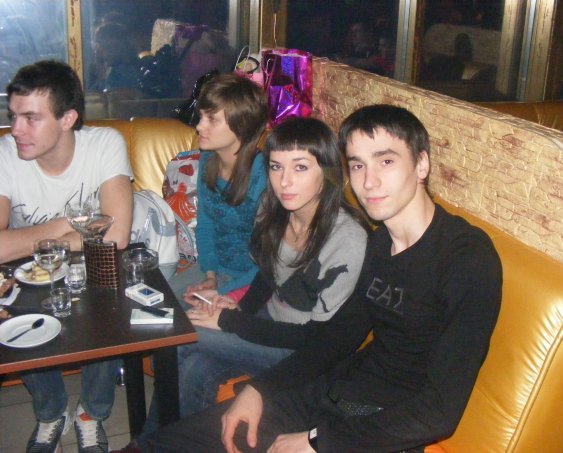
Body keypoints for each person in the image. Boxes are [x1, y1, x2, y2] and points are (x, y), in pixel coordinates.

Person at [141, 104, 503, 452]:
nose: (369, 181)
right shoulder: (381, 244)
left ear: (421, 164)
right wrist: (259, 389)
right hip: (333, 393)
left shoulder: (465, 257)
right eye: (358, 165)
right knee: (171, 443)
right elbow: (335, 340)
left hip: (376, 425)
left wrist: (318, 441)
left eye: (386, 161)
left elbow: (438, 412)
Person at [138, 117, 368, 443]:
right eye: (276, 167)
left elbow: (317, 340)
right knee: (193, 368)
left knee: (181, 333)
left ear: (328, 172)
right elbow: (267, 275)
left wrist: (231, 322)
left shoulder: (346, 239)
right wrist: (239, 307)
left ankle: (146, 445)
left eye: (300, 168)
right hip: (268, 322)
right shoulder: (274, 210)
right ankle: (164, 443)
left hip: (301, 351)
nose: (284, 181)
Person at [0, 60, 133, 452]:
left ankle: (92, 412)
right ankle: (50, 411)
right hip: (28, 273)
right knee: (11, 312)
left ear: (67, 119)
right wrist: (62, 226)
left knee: (111, 298)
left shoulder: (104, 144)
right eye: (13, 116)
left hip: (92, 266)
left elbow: (116, 237)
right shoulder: (5, 153)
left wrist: (31, 240)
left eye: (30, 118)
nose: (16, 129)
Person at [166, 72, 269, 310]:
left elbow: (270, 262)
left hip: (254, 283)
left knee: (188, 323)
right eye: (202, 116)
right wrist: (210, 275)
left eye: (212, 119)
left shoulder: (264, 175)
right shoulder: (207, 159)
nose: (199, 126)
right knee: (155, 306)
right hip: (213, 270)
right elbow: (206, 225)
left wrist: (220, 292)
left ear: (242, 124)